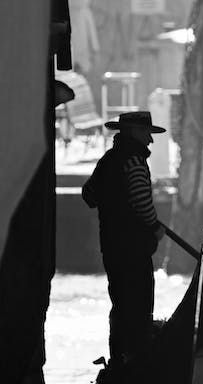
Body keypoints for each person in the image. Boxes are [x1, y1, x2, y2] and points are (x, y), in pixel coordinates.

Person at [82, 111, 167, 365]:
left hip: (111, 246)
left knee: (120, 304)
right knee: (139, 305)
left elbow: (89, 195)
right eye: (146, 134)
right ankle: (136, 358)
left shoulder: (108, 160)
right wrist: (155, 226)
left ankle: (120, 357)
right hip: (134, 249)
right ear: (134, 132)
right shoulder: (135, 161)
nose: (150, 141)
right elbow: (142, 202)